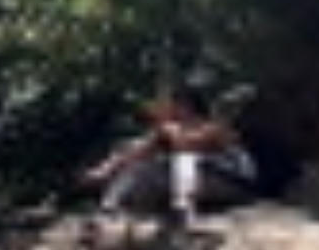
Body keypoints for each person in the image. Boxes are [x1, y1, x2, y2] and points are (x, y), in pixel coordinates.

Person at [87, 94, 257, 229]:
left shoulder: (214, 127)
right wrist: (105, 169)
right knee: (143, 168)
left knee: (184, 159)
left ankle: (183, 209)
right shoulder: (169, 130)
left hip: (233, 182)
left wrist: (168, 130)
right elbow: (134, 151)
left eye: (172, 105)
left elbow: (187, 144)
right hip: (198, 183)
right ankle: (108, 209)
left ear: (186, 107)